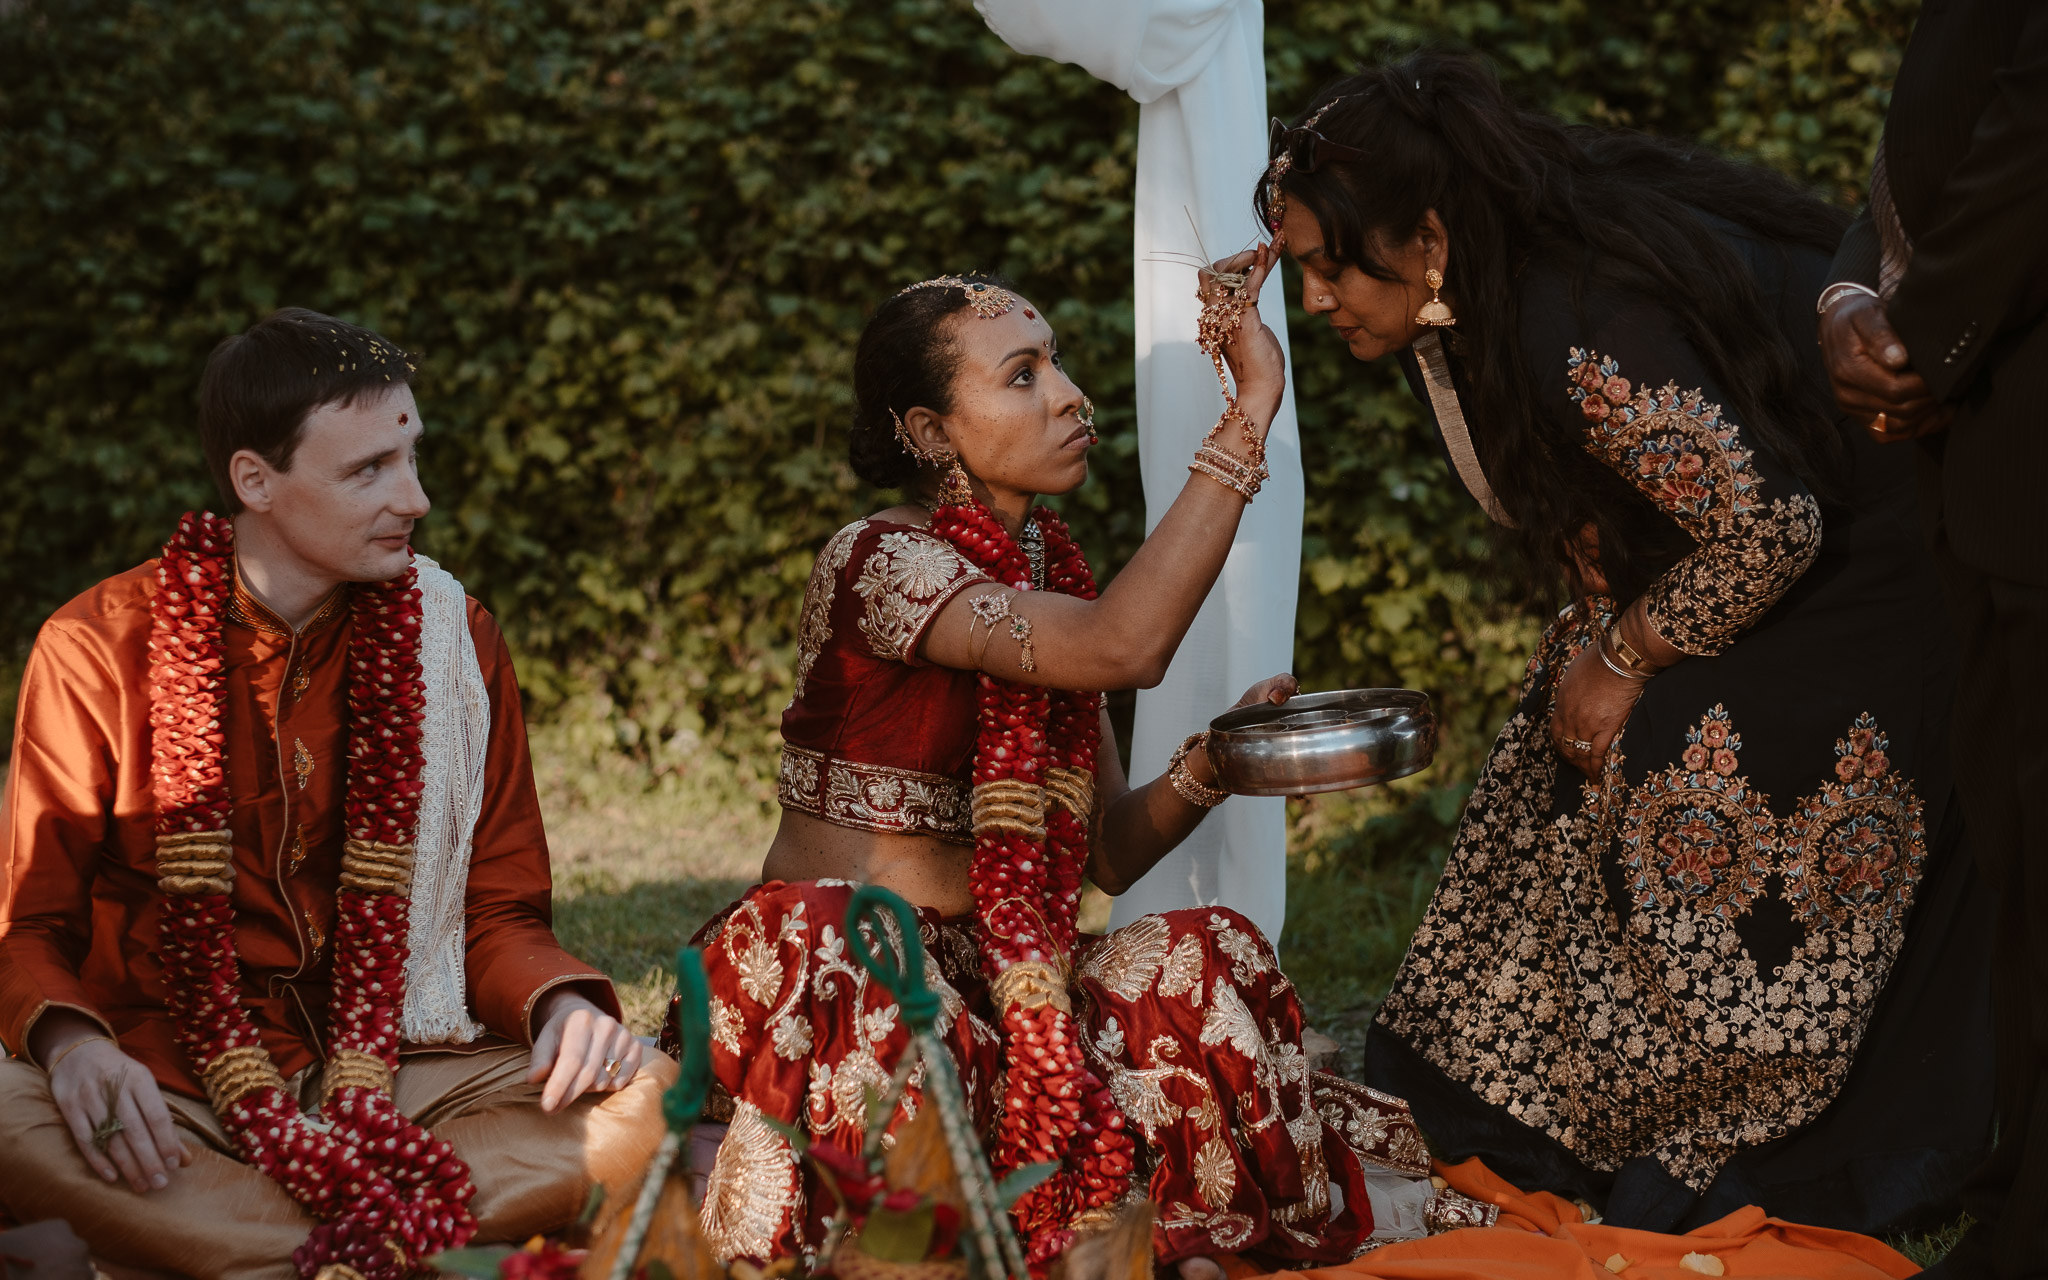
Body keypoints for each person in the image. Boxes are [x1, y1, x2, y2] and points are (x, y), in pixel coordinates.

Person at [1256, 52, 1994, 1235]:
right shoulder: (1508, 278)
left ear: (1428, 238)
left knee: (1657, 748)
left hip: (1871, 572)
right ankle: (1510, 1109)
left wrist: (1628, 652)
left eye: (1324, 265)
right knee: (1554, 722)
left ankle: (1713, 1112)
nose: (1316, 300)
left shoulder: (1571, 318)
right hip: (1803, 538)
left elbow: (1768, 525)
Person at [657, 272, 1497, 1274]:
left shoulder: (1048, 580)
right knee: (847, 939)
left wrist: (1213, 765)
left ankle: (1132, 1211)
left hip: (1008, 997)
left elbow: (1100, 850)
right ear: (928, 431)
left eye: (1054, 361)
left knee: (1207, 952)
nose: (1068, 394)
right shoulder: (884, 558)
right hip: (853, 991)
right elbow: (1121, 646)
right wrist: (1249, 412)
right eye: (1022, 374)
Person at [0, 310, 674, 1280]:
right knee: (12, 1111)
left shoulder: (457, 637)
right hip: (170, 1070)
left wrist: (560, 1002)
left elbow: (498, 907)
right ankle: (392, 1236)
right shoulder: (99, 643)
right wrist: (72, 1047)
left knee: (642, 1094)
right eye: (368, 471)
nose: (417, 498)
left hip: (400, 1065)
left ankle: (257, 1242)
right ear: (254, 481)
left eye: (409, 457)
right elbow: (29, 928)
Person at [1816, 4, 2048, 1273]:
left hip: (2010, 409)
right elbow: (1914, 167)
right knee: (2018, 846)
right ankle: (2021, 1170)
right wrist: (1852, 288)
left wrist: (1921, 341)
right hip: (1985, 464)